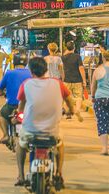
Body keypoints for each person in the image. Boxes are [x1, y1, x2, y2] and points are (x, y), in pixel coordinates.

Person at [15, 57, 79, 187]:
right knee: (60, 144)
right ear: (46, 69)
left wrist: (17, 116)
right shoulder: (58, 83)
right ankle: (58, 174)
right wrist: (71, 111)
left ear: (31, 71)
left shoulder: (26, 84)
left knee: (20, 144)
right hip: (51, 131)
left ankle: (21, 176)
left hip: (30, 130)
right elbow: (69, 101)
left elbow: (21, 107)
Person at [0, 54, 31, 145]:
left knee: (2, 114)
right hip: (29, 106)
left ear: (14, 62)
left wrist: (0, 93)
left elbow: (0, 88)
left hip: (12, 106)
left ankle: (5, 135)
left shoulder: (9, 73)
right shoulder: (31, 73)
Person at [61, 42, 86, 114]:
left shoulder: (63, 57)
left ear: (66, 48)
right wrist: (84, 80)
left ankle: (67, 111)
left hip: (66, 80)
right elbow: (81, 68)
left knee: (67, 97)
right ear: (74, 48)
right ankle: (77, 110)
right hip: (77, 80)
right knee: (78, 97)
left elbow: (62, 69)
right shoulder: (77, 56)